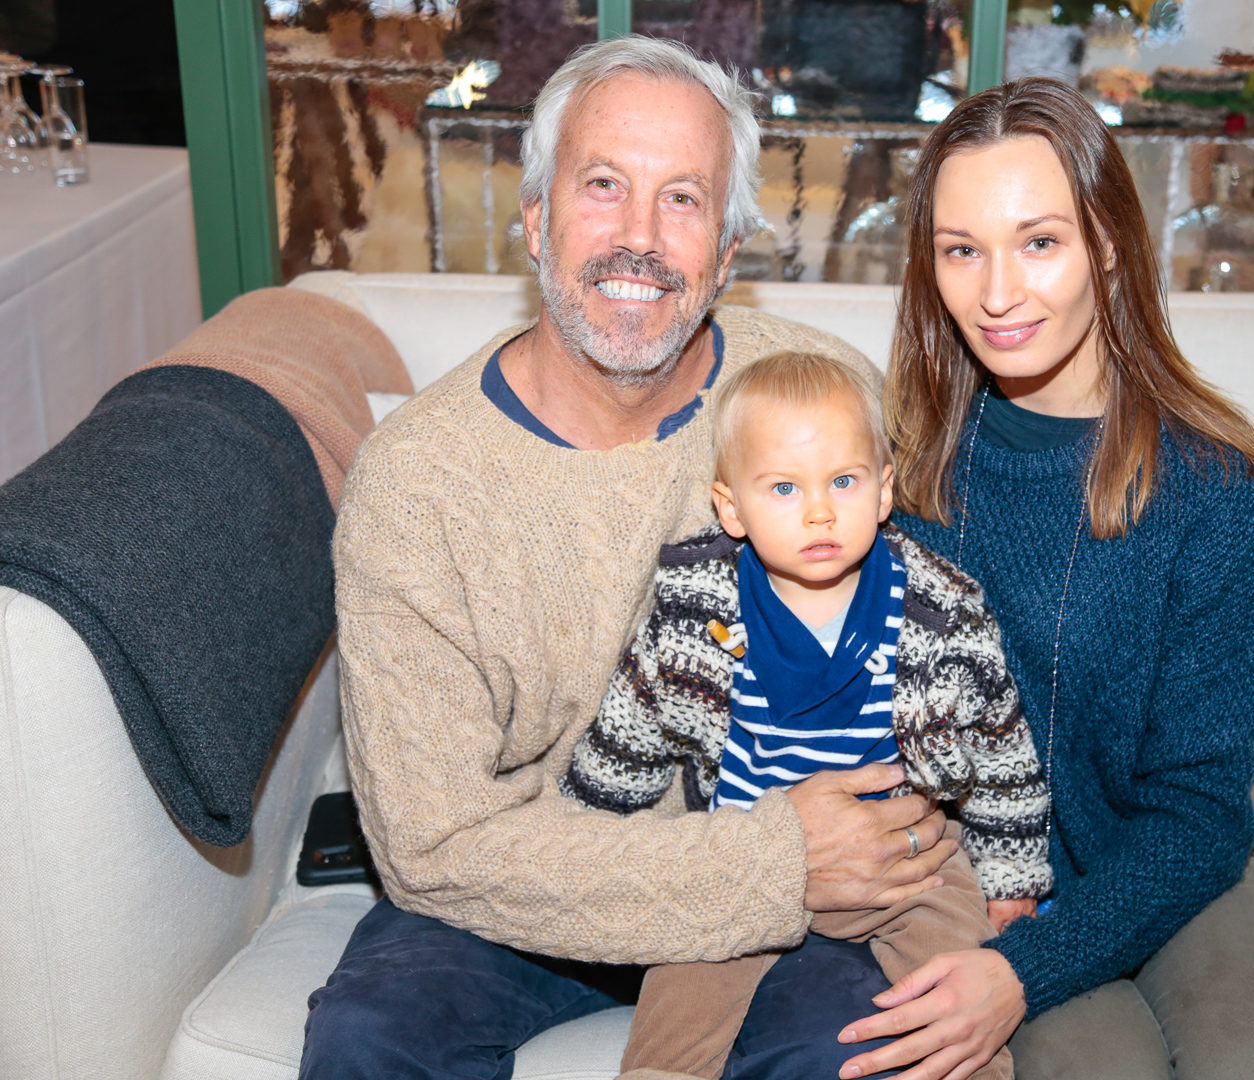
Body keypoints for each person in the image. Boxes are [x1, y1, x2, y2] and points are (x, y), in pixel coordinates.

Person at [300, 37, 968, 1080]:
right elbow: (432, 848)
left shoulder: (819, 396)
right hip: (537, 889)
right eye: (603, 187)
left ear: (731, 251)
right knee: (366, 1041)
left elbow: (937, 649)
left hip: (796, 884)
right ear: (535, 220)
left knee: (880, 1053)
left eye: (685, 200)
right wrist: (773, 863)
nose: (640, 241)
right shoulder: (415, 486)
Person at [846, 78, 1254, 1080]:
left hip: (1181, 869)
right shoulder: (900, 476)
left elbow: (1201, 812)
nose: (996, 293)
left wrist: (1034, 968)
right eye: (961, 249)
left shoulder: (1215, 489)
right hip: (986, 883)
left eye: (1039, 242)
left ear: (1108, 246)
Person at [562, 349, 1052, 1080]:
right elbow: (633, 721)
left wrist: (1012, 877)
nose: (819, 511)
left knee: (955, 991)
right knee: (679, 991)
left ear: (884, 491)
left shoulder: (943, 611)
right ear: (732, 507)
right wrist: (586, 830)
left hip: (909, 868)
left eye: (844, 482)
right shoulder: (696, 607)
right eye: (784, 488)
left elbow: (1002, 749)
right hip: (751, 864)